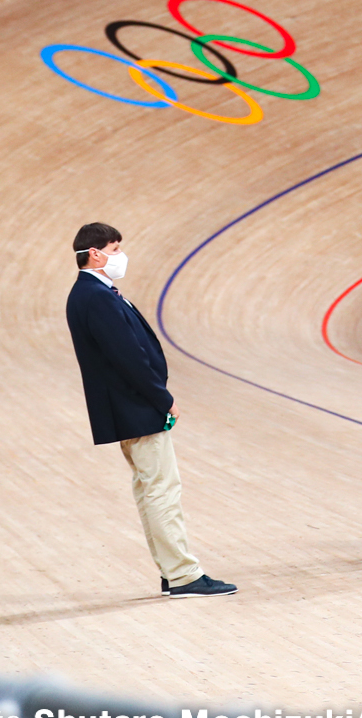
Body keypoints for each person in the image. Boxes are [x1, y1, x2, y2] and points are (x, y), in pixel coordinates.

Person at [64, 223, 235, 598]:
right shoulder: (96, 296)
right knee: (162, 490)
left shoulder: (91, 293)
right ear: (95, 253)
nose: (120, 255)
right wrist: (162, 397)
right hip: (136, 405)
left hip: (127, 406)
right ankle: (184, 575)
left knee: (149, 489)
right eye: (115, 247)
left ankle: (172, 571)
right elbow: (129, 357)